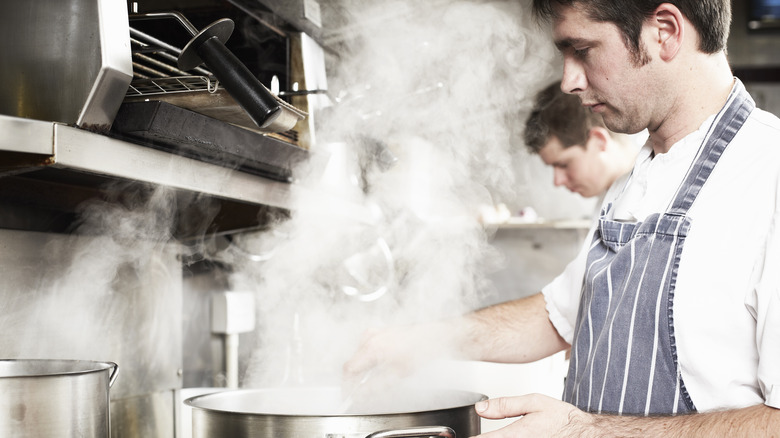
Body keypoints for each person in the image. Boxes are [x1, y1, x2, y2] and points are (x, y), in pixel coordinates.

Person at [344, 1, 780, 436]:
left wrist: (586, 431)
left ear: (664, 31)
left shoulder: (768, 175)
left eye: (583, 50)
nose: (569, 81)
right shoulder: (638, 176)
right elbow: (559, 315)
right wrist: (424, 341)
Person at [524, 81, 638, 199]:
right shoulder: (613, 198)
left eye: (563, 165)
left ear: (599, 141)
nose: (557, 181)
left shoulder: (648, 202)